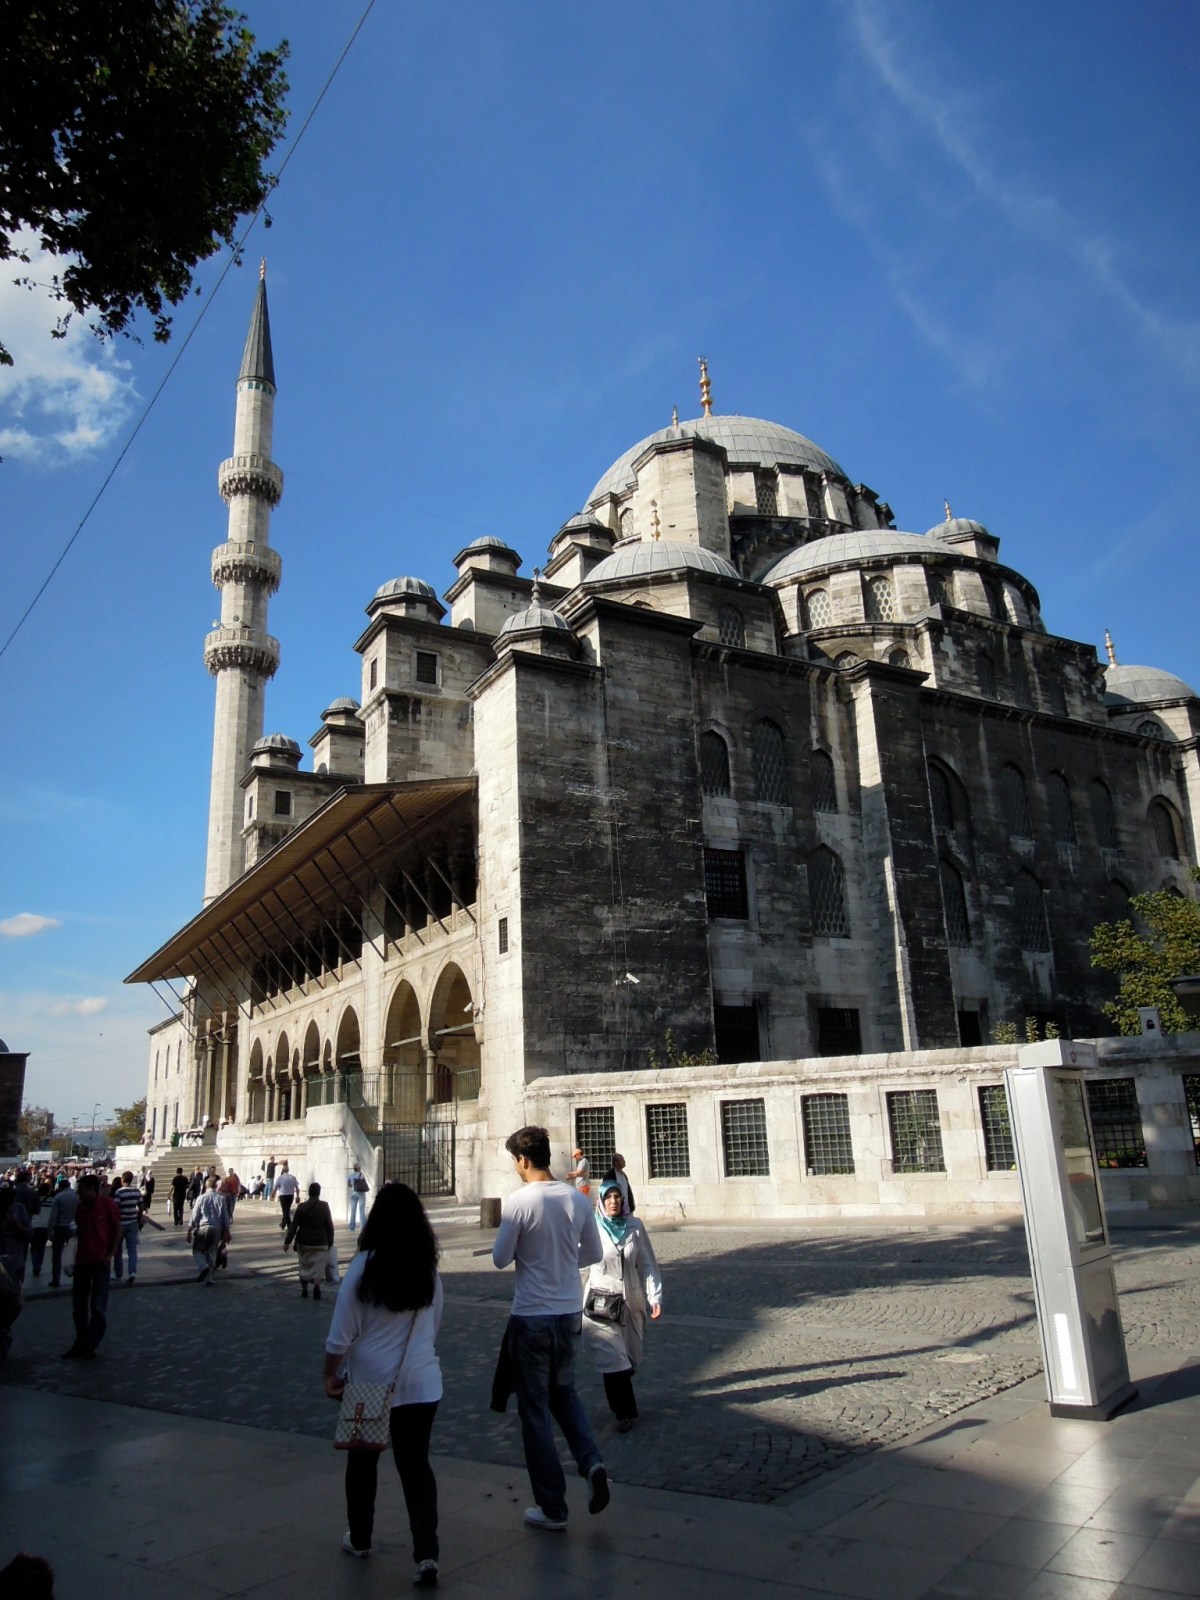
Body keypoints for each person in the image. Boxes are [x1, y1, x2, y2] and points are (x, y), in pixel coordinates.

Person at [324, 1183, 443, 1588]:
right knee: (416, 1467)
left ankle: (360, 1538)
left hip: (369, 1384)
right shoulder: (428, 1269)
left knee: (362, 1464)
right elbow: (434, 1325)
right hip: (421, 1383)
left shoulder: (362, 1267)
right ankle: (426, 1553)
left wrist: (329, 1374)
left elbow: (339, 1337)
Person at [491, 1125, 609, 1531]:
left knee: (535, 1411)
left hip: (532, 1317)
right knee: (565, 1393)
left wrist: (533, 1255)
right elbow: (593, 1252)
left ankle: (553, 1505)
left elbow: (500, 1258)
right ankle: (592, 1463)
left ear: (523, 1160)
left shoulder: (520, 1201)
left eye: (515, 1161)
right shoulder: (577, 1199)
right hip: (568, 1314)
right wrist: (561, 1261)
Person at [583, 1179, 662, 1431]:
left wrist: (654, 1296)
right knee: (614, 1359)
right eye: (608, 1197)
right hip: (601, 1304)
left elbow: (647, 1264)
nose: (613, 1201)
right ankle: (625, 1413)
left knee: (630, 1359)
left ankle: (620, 1403)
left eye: (617, 1197)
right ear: (601, 1201)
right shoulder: (592, 1228)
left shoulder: (634, 1226)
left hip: (630, 1302)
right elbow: (581, 1268)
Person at [62, 1173, 120, 1359]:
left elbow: (117, 1228)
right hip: (82, 1261)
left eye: (81, 1189)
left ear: (92, 1189)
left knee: (98, 1306)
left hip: (101, 1261)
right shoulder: (80, 1208)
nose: (78, 1193)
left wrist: (110, 1254)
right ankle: (81, 1341)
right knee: (79, 1306)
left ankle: (90, 1344)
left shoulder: (107, 1204)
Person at [285, 1182, 335, 1299]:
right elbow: (329, 1225)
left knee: (304, 1265)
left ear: (309, 1192)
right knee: (319, 1267)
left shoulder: (301, 1207)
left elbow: (294, 1226)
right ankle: (317, 1285)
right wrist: (330, 1242)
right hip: (321, 1242)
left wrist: (287, 1241)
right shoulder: (324, 1206)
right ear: (319, 1193)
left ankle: (304, 1290)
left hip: (304, 1242)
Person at [0, 1188, 32, 1357]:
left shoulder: (19, 1210)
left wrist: (15, 1225)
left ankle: (4, 1333)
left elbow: (28, 1233)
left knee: (12, 1304)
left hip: (14, 1264)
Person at [188, 1176, 230, 1286]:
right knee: (212, 1252)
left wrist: (190, 1229)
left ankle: (203, 1266)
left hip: (203, 1227)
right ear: (216, 1186)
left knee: (197, 1250)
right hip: (216, 1228)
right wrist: (227, 1230)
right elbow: (225, 1216)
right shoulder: (221, 1198)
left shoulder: (201, 1198)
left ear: (205, 1186)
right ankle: (210, 1278)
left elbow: (195, 1215)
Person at [111, 1171, 143, 1284]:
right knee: (132, 1249)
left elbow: (115, 1208)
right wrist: (139, 1218)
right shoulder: (136, 1191)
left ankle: (118, 1273)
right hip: (133, 1222)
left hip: (121, 1223)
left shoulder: (119, 1192)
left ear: (122, 1179)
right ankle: (132, 1272)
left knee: (118, 1250)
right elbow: (141, 1205)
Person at [46, 1175, 79, 1287]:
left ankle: (56, 1279)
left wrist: (50, 1230)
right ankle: (77, 1277)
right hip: (74, 1226)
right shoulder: (77, 1196)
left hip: (60, 1226)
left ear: (60, 1187)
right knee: (75, 1253)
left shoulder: (58, 1197)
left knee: (57, 1255)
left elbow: (53, 1216)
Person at [275, 1161, 300, 1231]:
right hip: (291, 1195)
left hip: (283, 1195)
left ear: (283, 1170)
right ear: (288, 1170)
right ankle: (283, 1224)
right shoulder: (293, 1177)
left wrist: (272, 1194)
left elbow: (275, 1187)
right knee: (287, 1209)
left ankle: (290, 1226)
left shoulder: (281, 1177)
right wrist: (297, 1196)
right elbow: (297, 1188)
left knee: (285, 1210)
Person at [347, 1162, 370, 1232]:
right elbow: (364, 1183)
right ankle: (363, 1227)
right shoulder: (362, 1175)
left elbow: (349, 1185)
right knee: (362, 1210)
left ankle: (352, 1227)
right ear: (359, 1168)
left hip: (354, 1193)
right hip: (361, 1193)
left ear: (353, 1168)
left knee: (353, 1210)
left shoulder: (351, 1175)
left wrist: (353, 1185)